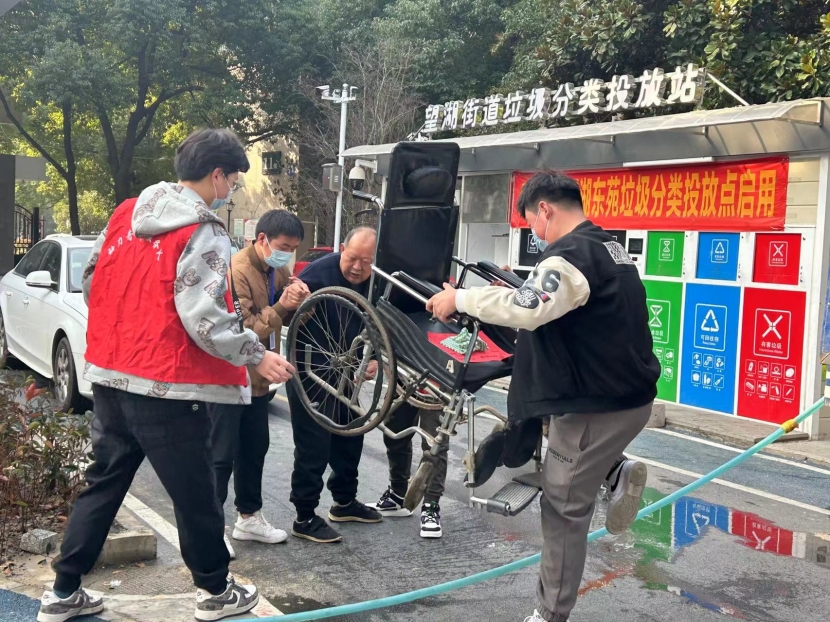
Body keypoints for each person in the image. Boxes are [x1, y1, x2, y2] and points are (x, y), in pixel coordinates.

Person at [39, 128, 295, 622]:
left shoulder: (124, 214)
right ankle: (215, 591)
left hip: (112, 374)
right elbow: (205, 317)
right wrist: (255, 355)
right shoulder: (203, 231)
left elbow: (93, 284)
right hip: (168, 382)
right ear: (216, 175)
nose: (231, 190)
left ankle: (63, 591)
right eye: (232, 180)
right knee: (195, 490)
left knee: (104, 483)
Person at [426, 171, 659, 622]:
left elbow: (528, 308)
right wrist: (510, 291)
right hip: (628, 397)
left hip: (594, 406)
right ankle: (615, 470)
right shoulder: (608, 247)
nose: (533, 232)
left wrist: (461, 300)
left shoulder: (568, 255)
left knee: (563, 507)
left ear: (545, 210)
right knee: (568, 451)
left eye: (531, 222)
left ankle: (550, 614)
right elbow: (558, 307)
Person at [207, 210, 310, 557]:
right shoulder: (235, 270)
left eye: (293, 249)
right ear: (262, 239)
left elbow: (289, 314)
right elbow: (244, 327)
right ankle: (211, 529)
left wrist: (300, 297)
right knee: (221, 454)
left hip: (258, 379)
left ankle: (248, 517)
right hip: (229, 376)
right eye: (283, 247)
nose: (287, 255)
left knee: (254, 447)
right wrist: (281, 306)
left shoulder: (275, 268)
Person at [288, 227, 383, 543]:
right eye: (352, 258)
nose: (357, 267)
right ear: (342, 248)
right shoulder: (317, 275)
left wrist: (374, 358)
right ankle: (304, 516)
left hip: (348, 367)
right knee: (314, 442)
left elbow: (380, 324)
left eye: (366, 262)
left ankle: (344, 502)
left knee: (351, 434)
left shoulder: (376, 282)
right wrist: (294, 298)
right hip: (310, 368)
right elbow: (287, 312)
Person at [370, 402, 448, 538]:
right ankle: (397, 496)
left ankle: (431, 506)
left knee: (435, 445)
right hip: (405, 388)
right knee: (394, 432)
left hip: (437, 392)